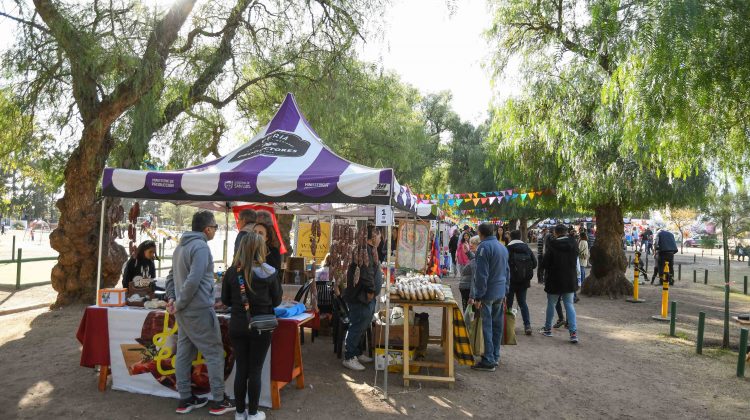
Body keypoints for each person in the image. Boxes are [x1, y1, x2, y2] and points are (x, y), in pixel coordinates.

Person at [166, 211, 234, 415]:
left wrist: (172, 299)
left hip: (185, 310)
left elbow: (171, 277)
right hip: (198, 309)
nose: (215, 230)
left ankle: (185, 398)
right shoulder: (201, 247)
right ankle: (219, 400)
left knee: (184, 353)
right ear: (207, 229)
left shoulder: (181, 246)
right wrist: (178, 302)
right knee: (214, 354)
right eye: (215, 227)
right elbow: (193, 281)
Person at [222, 232, 281, 420]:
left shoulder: (232, 272)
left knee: (242, 369)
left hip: (238, 325)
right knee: (255, 370)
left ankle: (240, 413)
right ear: (261, 250)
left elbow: (225, 300)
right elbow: (277, 301)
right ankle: (254, 414)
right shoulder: (270, 272)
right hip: (261, 327)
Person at [468, 223, 509, 372]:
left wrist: (478, 296)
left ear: (480, 233)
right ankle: (495, 356)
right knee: (497, 325)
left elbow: (481, 275)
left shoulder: (483, 248)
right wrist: (506, 291)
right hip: (500, 291)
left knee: (488, 326)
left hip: (488, 293)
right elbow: (507, 272)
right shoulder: (502, 247)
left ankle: (489, 359)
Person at [342, 224, 382, 371]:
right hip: (361, 297)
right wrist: (371, 291)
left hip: (365, 296)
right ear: (372, 236)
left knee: (362, 325)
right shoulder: (363, 250)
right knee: (357, 325)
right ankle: (349, 357)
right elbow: (366, 273)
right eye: (379, 235)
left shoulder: (370, 250)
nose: (380, 238)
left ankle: (357, 353)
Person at [539, 224, 580, 343]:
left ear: (555, 233)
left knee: (551, 304)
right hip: (569, 279)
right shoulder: (574, 244)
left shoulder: (552, 245)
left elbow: (545, 263)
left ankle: (548, 328)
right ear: (566, 232)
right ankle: (573, 333)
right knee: (569, 305)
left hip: (554, 279)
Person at [506, 230, 536, 335]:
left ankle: (508, 327)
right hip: (524, 281)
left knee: (508, 304)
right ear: (520, 237)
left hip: (510, 281)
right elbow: (535, 263)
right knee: (523, 303)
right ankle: (527, 325)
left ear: (510, 237)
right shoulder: (526, 248)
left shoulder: (508, 248)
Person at [458, 235, 481, 310]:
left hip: (468, 290)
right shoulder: (476, 257)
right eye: (471, 242)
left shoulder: (477, 260)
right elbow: (473, 258)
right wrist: (468, 252)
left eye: (474, 243)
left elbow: (474, 280)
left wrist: (472, 296)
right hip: (466, 289)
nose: (471, 245)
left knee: (469, 314)